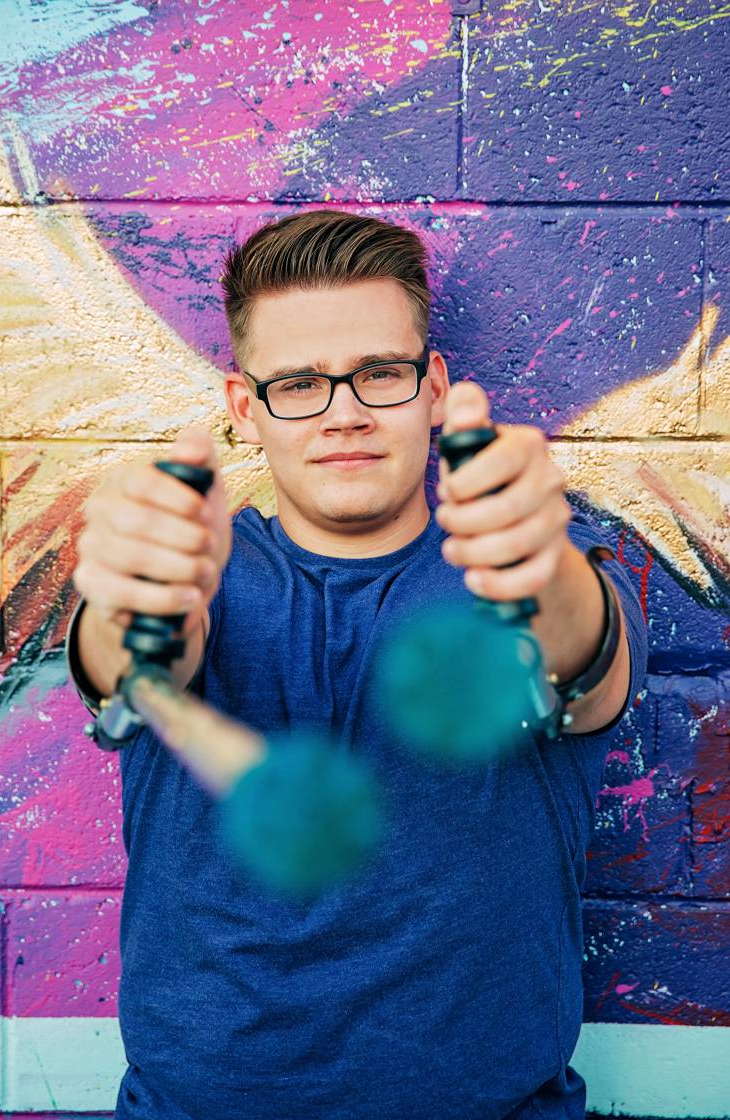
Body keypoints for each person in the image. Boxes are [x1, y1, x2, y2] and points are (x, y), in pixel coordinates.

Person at [67, 210, 645, 1120]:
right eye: (298, 383)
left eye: (380, 373)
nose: (345, 412)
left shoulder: (533, 569)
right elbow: (134, 658)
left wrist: (543, 568)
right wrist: (134, 603)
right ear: (244, 410)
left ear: (433, 388)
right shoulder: (194, 573)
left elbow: (579, 654)